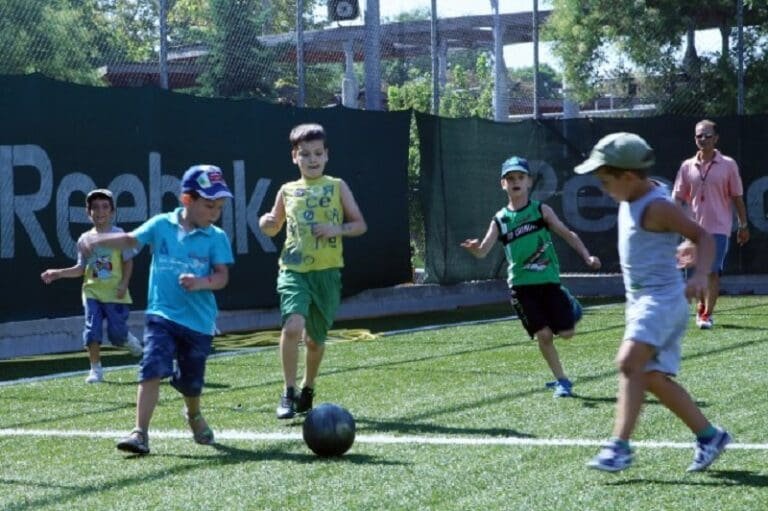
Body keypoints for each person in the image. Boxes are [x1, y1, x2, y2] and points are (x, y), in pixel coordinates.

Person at [575, 132, 730, 473]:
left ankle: (619, 447)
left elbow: (703, 237)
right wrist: (679, 246)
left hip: (661, 302)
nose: (603, 188)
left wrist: (700, 275)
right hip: (642, 302)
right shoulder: (636, 195)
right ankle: (709, 436)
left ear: (628, 176)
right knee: (651, 377)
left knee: (628, 362)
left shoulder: (656, 206)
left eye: (605, 180)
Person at [78, 165, 234, 455]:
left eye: (220, 207)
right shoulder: (162, 224)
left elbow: (222, 276)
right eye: (209, 205)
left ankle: (193, 414)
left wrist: (201, 282)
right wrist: (98, 239)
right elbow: (130, 240)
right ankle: (140, 433)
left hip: (198, 323)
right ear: (187, 200)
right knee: (151, 367)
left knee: (190, 382)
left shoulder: (217, 237)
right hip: (161, 315)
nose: (215, 213)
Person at [460, 156, 602, 398]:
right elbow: (483, 251)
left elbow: (568, 234)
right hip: (521, 287)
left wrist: (587, 257)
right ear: (503, 184)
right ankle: (563, 381)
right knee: (544, 335)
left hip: (549, 282)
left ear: (529, 182)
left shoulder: (540, 211)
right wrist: (475, 249)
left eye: (520, 177)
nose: (515, 182)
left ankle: (570, 305)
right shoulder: (500, 219)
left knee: (566, 334)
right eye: (510, 178)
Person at [259, 123, 367, 419]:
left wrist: (336, 229)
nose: (312, 159)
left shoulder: (337, 186)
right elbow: (272, 225)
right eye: (305, 154)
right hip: (293, 270)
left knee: (315, 341)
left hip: (327, 274)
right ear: (295, 156)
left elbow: (359, 225)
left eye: (318, 153)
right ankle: (288, 391)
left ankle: (308, 388)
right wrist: (266, 223)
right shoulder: (287, 190)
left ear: (327, 154)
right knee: (293, 326)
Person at [41, 189, 143, 384]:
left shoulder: (119, 235)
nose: (100, 211)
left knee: (117, 335)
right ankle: (95, 369)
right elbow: (81, 269)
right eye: (95, 207)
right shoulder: (84, 239)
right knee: (91, 330)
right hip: (91, 292)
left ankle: (127, 339)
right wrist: (58, 273)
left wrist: (124, 283)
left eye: (105, 207)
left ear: (112, 211)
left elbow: (128, 261)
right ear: (88, 213)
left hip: (115, 293)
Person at [672, 120, 750, 329]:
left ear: (716, 138)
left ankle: (707, 313)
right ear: (694, 138)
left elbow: (737, 197)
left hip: (719, 227)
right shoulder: (687, 166)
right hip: (692, 228)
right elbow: (677, 197)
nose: (703, 139)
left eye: (707, 135)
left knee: (712, 271)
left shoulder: (728, 164)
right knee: (694, 271)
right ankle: (700, 306)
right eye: (699, 135)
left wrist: (743, 225)